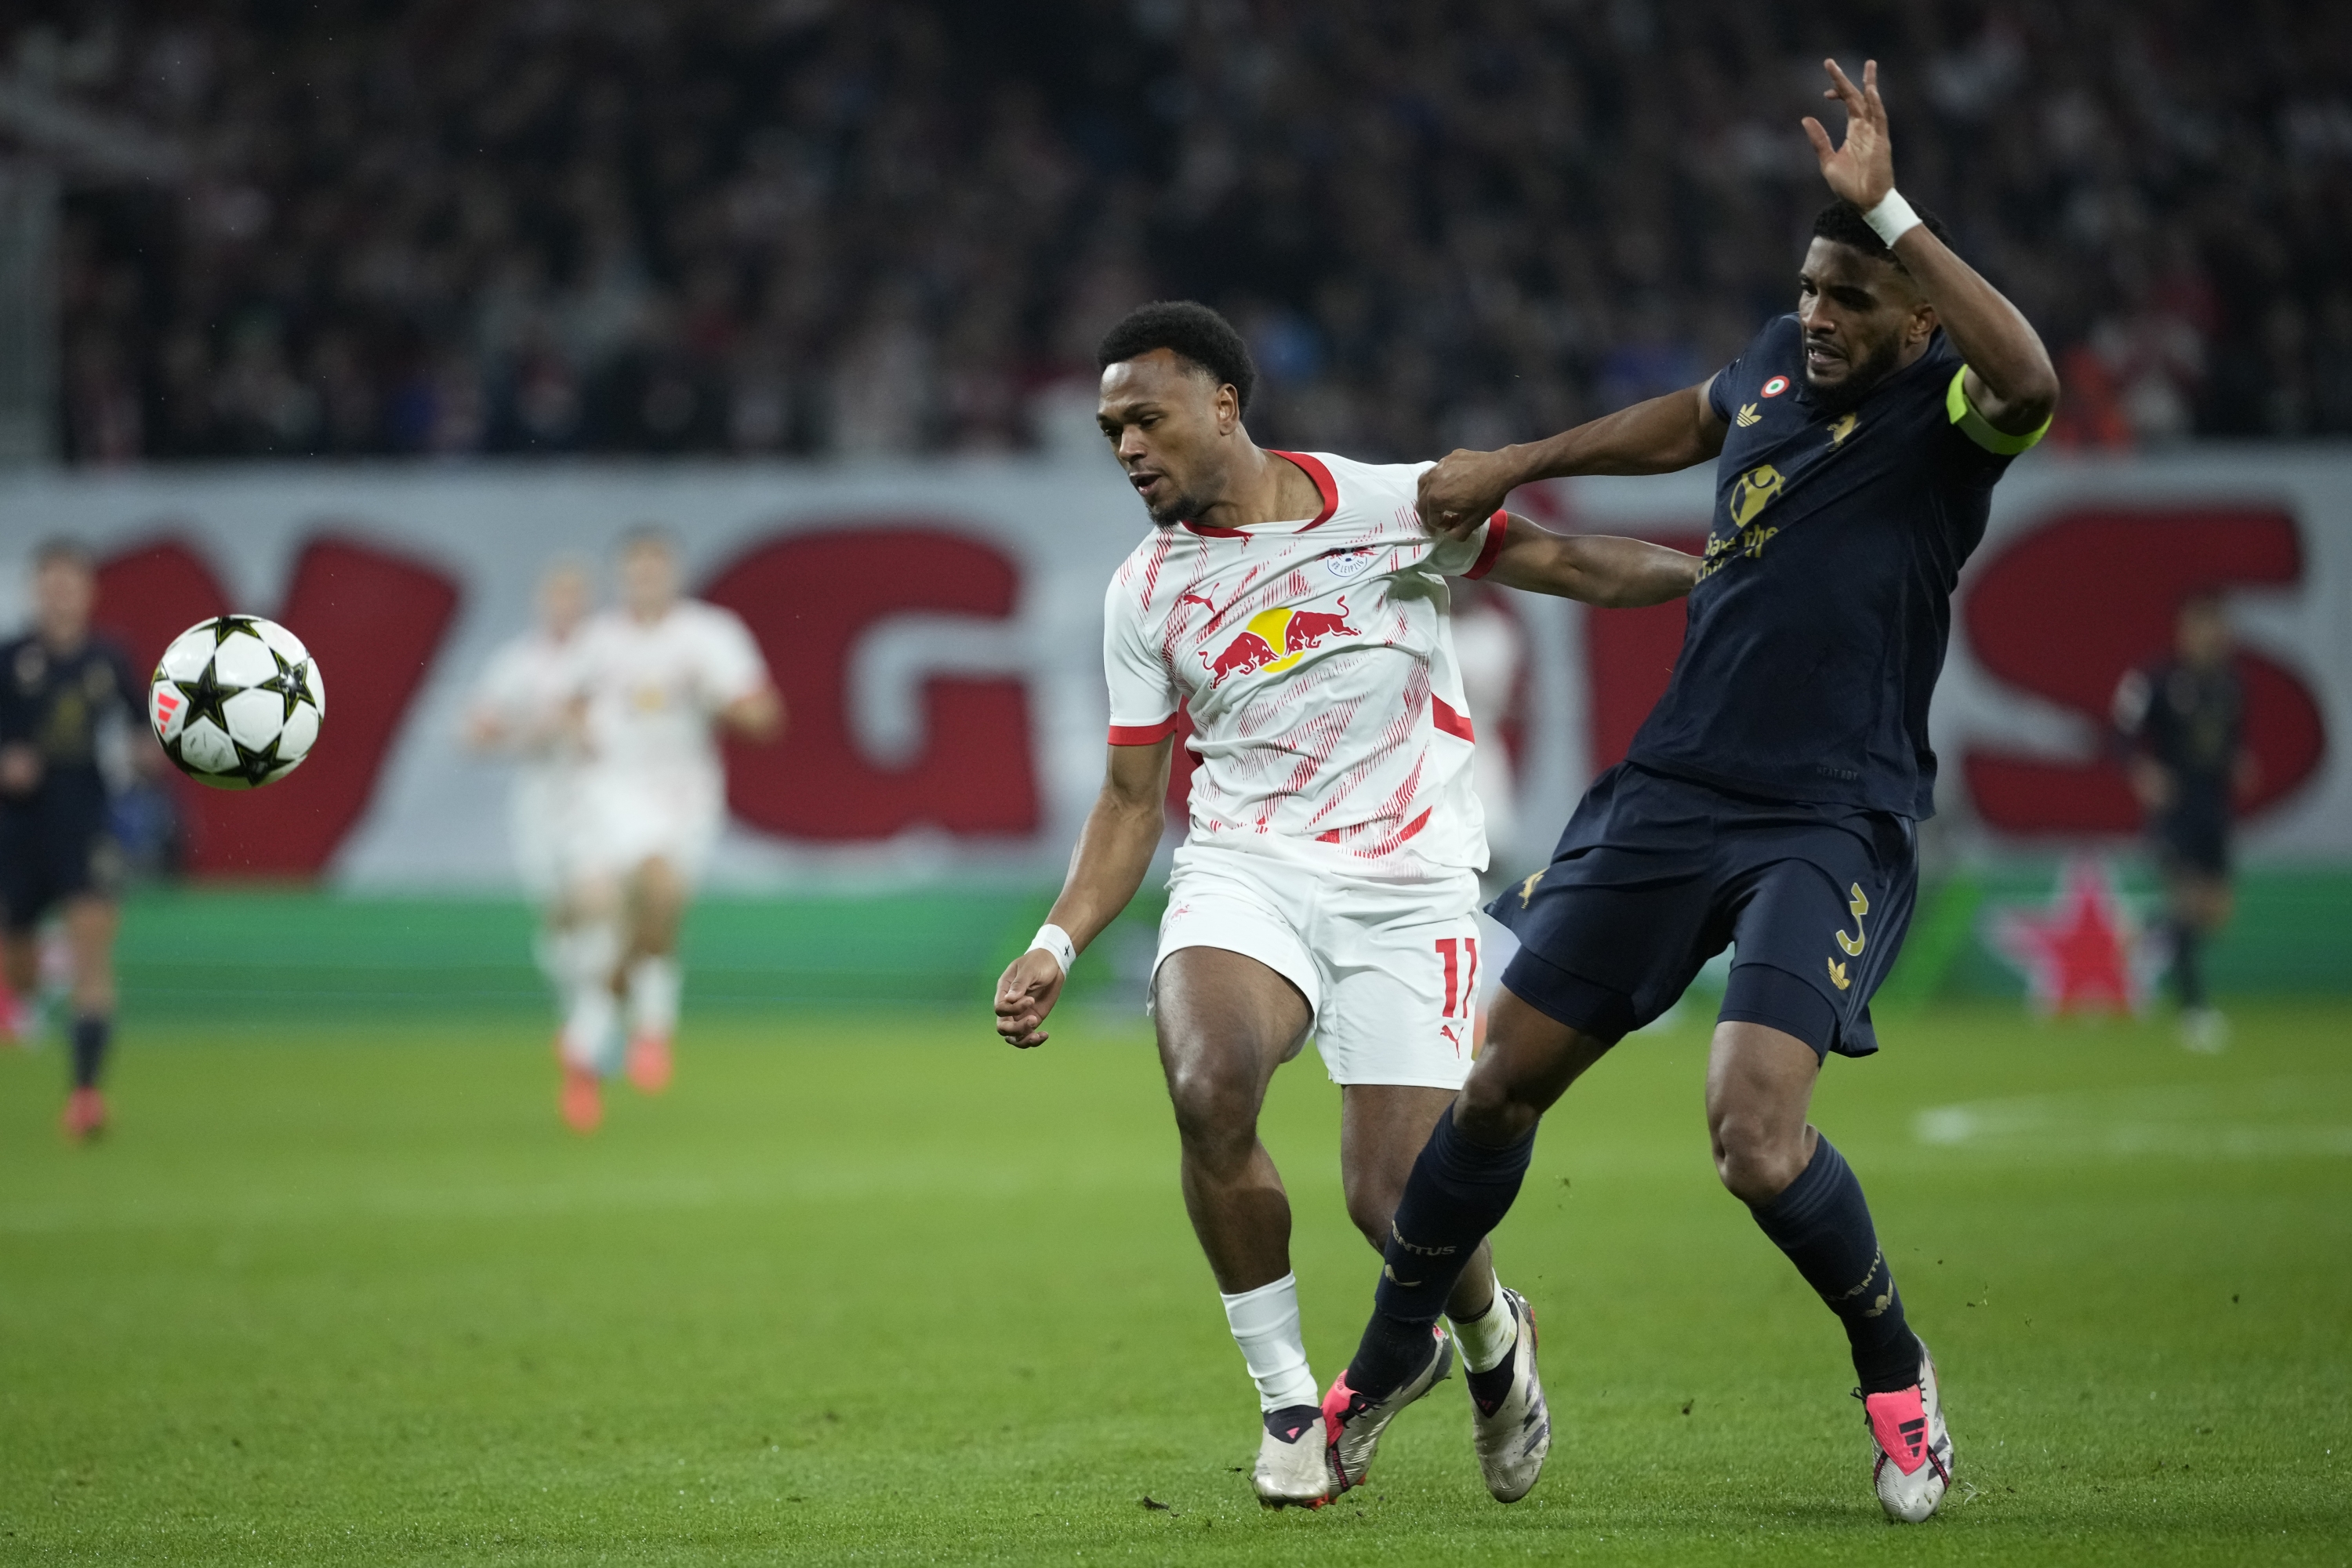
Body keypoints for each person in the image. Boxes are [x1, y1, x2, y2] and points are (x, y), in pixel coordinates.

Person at [1322, 60, 2060, 1523]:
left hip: (1827, 816)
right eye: (1809, 291)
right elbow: (1686, 418)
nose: (1818, 316)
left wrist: (1892, 210)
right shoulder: (1775, 370)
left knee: (1752, 1134)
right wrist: (1518, 463)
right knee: (1496, 1088)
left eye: (1851, 301)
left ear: (1916, 318)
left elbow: (2033, 377)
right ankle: (1394, 1355)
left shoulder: (1947, 425)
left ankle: (1899, 1386)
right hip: (1671, 792)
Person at [991, 300, 1700, 1508]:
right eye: (1111, 428)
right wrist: (1059, 939)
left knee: (1392, 1199)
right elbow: (1127, 803)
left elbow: (1572, 564)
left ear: (1226, 405)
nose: (1126, 447)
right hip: (1245, 873)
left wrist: (1728, 583)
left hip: (1411, 887)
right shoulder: (1145, 594)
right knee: (1209, 1087)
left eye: (1146, 418)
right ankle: (1284, 1404)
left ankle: (1490, 1341)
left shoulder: (1393, 507)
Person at [560, 530, 782, 1132]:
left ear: (675, 574)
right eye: (636, 571)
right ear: (622, 577)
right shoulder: (597, 640)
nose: (646, 581)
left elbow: (766, 715)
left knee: (655, 916)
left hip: (686, 794)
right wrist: (578, 728)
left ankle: (588, 1039)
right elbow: (570, 704)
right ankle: (651, 1032)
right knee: (640, 896)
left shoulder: (710, 636)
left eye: (657, 570)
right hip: (613, 791)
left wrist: (724, 703)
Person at [0, 540, 146, 1142]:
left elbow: (144, 727)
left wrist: (147, 754)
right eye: (51, 583)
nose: (61, 594)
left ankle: (85, 1096)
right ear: (37, 590)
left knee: (94, 957)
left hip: (85, 818)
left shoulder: (110, 658)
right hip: (19, 824)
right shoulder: (11, 659)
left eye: (71, 583)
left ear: (89, 591)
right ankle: (29, 977)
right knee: (19, 965)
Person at [463, 558, 608, 1117]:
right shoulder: (517, 664)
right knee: (558, 923)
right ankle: (581, 1018)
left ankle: (586, 1042)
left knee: (596, 904)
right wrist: (532, 731)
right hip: (539, 804)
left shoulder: (604, 659)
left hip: (598, 801)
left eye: (576, 596)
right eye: (557, 596)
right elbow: (473, 733)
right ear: (542, 602)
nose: (566, 607)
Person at [2113, 593, 2252, 1052]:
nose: (2211, 636)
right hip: (2175, 809)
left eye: (2217, 626)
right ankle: (2194, 1011)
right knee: (2190, 901)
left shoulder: (2230, 685)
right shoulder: (2155, 680)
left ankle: (2147, 927)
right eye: (2201, 626)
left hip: (2213, 808)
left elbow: (2228, 742)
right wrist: (2143, 770)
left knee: (2215, 913)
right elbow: (2119, 733)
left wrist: (2238, 762)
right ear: (2183, 632)